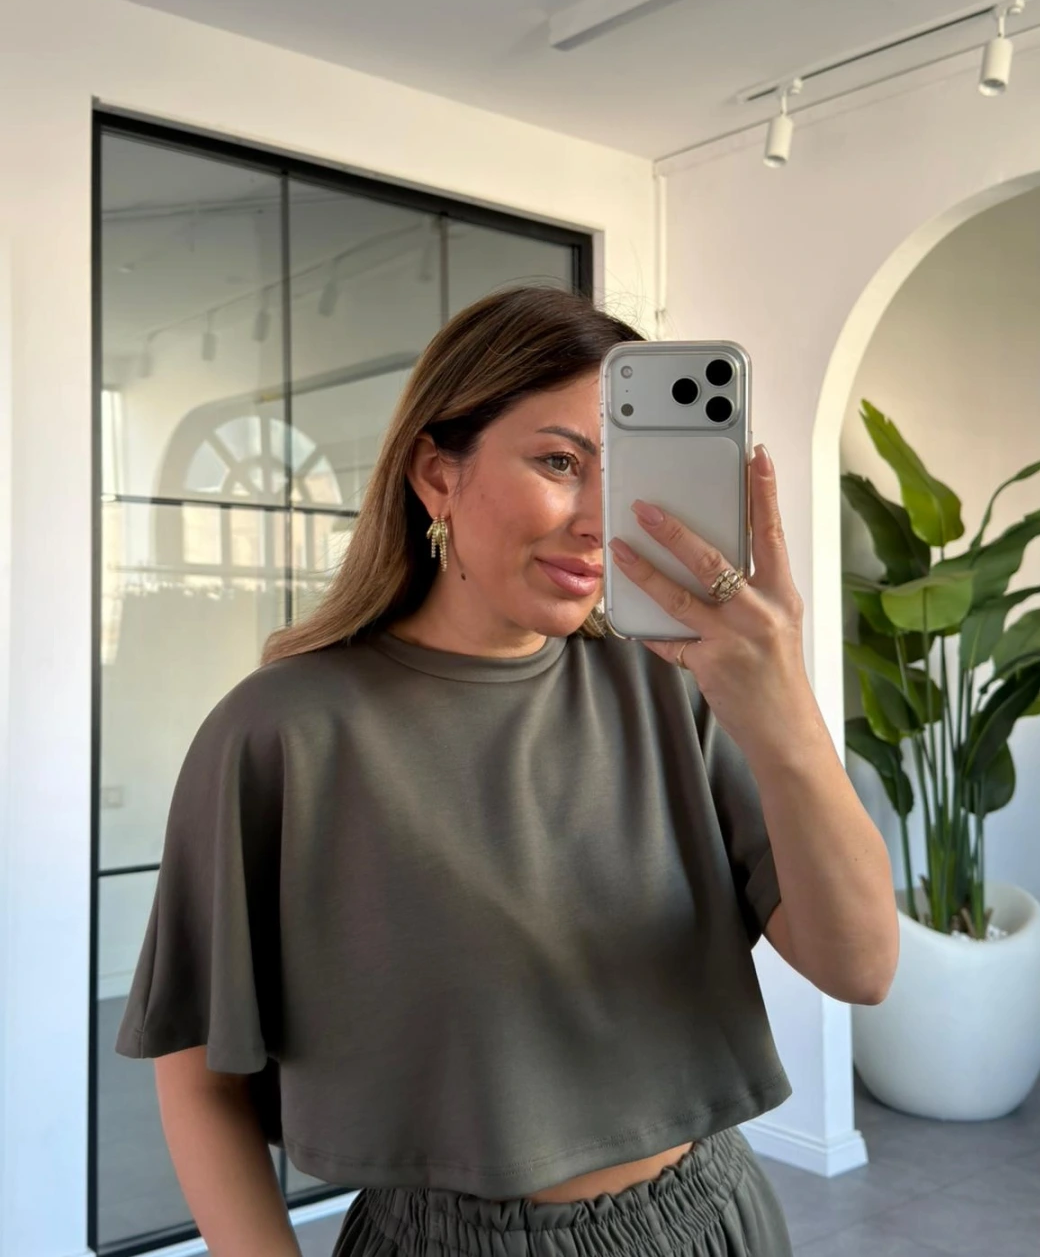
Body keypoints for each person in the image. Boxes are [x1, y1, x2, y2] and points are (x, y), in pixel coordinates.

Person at [116, 286, 899, 1257]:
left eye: (623, 474)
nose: (597, 521)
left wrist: (783, 707)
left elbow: (862, 967)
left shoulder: (677, 692)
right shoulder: (281, 734)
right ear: (436, 475)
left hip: (712, 1221)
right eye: (560, 463)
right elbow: (200, 1077)